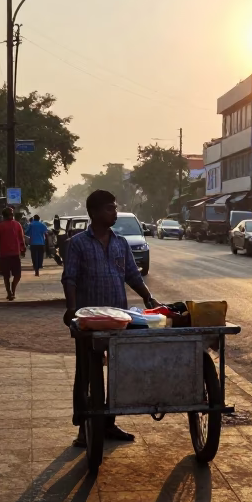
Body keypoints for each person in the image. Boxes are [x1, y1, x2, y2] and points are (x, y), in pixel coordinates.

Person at [62, 189, 159, 447]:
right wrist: (71, 310)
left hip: (118, 318)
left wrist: (149, 299)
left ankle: (109, 423)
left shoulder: (120, 243)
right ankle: (84, 427)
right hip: (88, 320)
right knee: (86, 373)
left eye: (115, 208)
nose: (114, 212)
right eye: (109, 208)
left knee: (116, 370)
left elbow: (132, 275)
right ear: (94, 213)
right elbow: (69, 278)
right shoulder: (78, 244)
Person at [0, 206, 26, 300]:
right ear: (8, 215)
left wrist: (23, 248)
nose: (12, 214)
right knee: (6, 275)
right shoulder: (0, 226)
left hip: (14, 253)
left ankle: (12, 290)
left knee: (16, 275)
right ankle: (9, 292)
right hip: (5, 254)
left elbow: (21, 238)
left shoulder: (16, 224)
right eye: (11, 213)